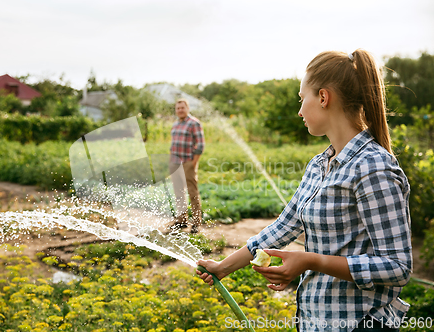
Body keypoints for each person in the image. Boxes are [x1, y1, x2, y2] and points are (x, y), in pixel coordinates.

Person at [197, 50, 412, 332]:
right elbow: (283, 227)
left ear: (323, 97)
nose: (299, 110)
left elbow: (397, 266)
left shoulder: (373, 168)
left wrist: (311, 261)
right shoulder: (319, 164)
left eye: (302, 99)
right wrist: (224, 266)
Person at [169, 98, 205, 234]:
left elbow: (200, 144)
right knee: (178, 192)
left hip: (187, 162)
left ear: (187, 108)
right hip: (174, 162)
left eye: (182, 108)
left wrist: (193, 162)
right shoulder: (175, 124)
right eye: (177, 108)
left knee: (192, 192)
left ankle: (196, 223)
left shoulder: (194, 123)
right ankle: (181, 220)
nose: (180, 110)